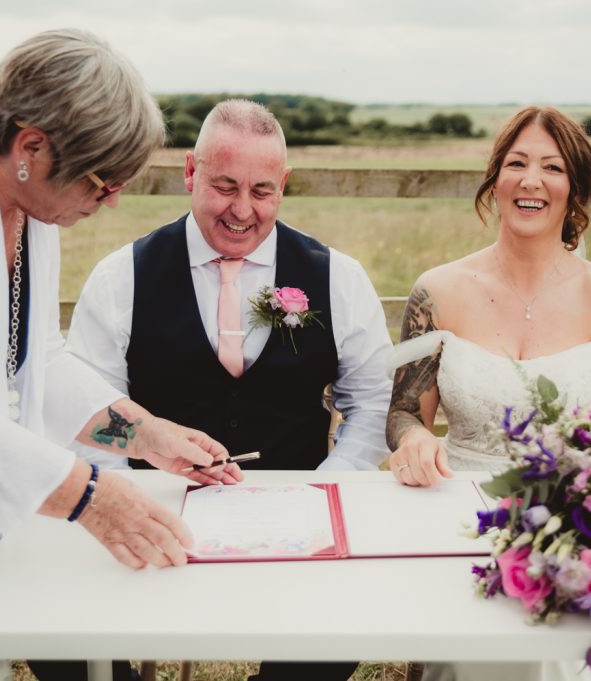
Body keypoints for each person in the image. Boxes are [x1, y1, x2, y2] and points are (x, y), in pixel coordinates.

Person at [0, 29, 243, 681]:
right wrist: (89, 494)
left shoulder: (27, 203)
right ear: (31, 146)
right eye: (102, 183)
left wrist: (146, 433)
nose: (109, 205)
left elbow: (37, 361)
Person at [67, 99, 393, 680]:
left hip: (297, 513)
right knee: (65, 644)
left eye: (262, 191)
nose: (242, 210)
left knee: (335, 639)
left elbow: (370, 403)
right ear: (190, 173)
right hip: (156, 508)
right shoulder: (122, 276)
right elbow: (88, 407)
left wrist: (325, 487)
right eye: (224, 186)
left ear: (284, 185)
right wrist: (127, 501)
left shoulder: (338, 276)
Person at [385, 106, 591, 681]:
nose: (531, 180)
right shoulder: (437, 290)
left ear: (574, 188)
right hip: (462, 516)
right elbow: (405, 410)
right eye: (516, 163)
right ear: (496, 179)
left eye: (551, 167)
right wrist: (412, 440)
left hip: (576, 526)